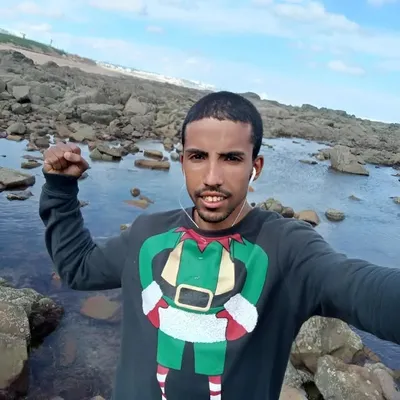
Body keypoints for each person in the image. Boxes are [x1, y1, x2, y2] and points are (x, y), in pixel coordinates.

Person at [39, 91, 400, 400]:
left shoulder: (288, 250)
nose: (212, 178)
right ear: (183, 161)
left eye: (231, 158)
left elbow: (358, 287)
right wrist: (59, 188)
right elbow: (79, 268)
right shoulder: (148, 234)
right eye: (198, 156)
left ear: (255, 166)